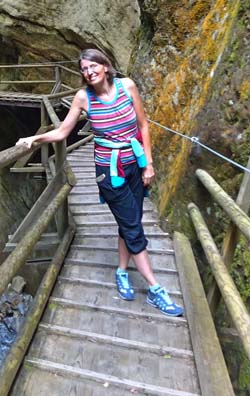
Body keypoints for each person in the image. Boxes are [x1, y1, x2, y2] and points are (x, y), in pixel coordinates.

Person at [17, 48, 183, 317]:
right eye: (84, 69)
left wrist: (149, 164)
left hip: (135, 165)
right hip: (109, 170)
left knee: (130, 222)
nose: (89, 72)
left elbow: (143, 126)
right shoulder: (83, 97)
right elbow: (62, 132)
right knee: (132, 226)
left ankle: (121, 272)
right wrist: (33, 140)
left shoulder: (127, 86)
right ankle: (155, 289)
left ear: (105, 66)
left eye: (93, 66)